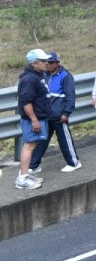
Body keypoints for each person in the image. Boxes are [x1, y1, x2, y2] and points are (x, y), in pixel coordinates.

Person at [31, 52, 81, 174]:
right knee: (41, 140)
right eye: (46, 62)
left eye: (51, 62)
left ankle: (74, 162)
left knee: (64, 140)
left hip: (59, 115)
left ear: (58, 63)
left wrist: (66, 113)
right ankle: (34, 165)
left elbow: (70, 96)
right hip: (46, 115)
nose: (48, 64)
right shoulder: (44, 75)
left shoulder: (65, 76)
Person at [15, 49, 52, 190]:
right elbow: (26, 101)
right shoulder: (30, 79)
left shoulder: (38, 75)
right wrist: (34, 120)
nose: (46, 63)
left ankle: (25, 174)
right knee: (29, 145)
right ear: (34, 63)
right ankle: (22, 178)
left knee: (32, 144)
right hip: (33, 119)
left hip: (39, 117)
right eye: (43, 61)